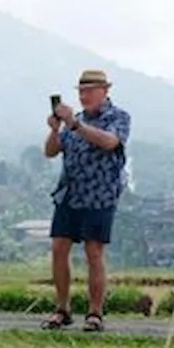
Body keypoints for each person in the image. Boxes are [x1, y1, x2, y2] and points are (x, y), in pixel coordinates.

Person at [40, 69, 132, 332]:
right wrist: (56, 128)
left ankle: (95, 312)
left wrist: (76, 125)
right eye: (81, 91)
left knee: (94, 252)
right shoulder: (74, 120)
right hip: (69, 193)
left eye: (90, 90)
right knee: (59, 248)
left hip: (100, 194)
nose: (84, 95)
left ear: (105, 91)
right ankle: (62, 308)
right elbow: (50, 151)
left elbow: (109, 142)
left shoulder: (118, 117)